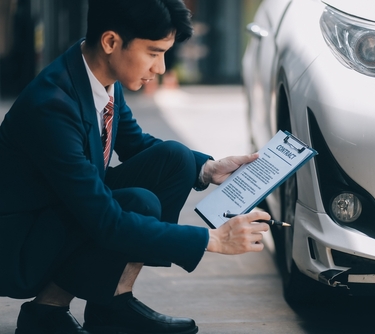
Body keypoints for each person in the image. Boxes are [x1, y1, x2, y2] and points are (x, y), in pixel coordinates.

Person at [0, 0, 270, 333]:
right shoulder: (52, 105)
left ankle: (112, 304)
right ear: (111, 42)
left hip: (61, 214)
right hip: (21, 248)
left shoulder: (98, 75)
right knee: (136, 204)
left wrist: (208, 169)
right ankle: (46, 312)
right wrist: (213, 240)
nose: (160, 68)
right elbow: (105, 221)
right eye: (154, 53)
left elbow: (138, 145)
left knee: (175, 159)